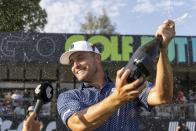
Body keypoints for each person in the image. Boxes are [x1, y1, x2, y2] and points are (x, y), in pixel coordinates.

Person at [57, 19, 175, 131]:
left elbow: (162, 96)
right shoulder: (69, 96)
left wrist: (162, 48)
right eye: (71, 62)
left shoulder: (127, 86)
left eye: (80, 58)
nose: (75, 66)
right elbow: (78, 124)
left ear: (97, 58)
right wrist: (118, 97)